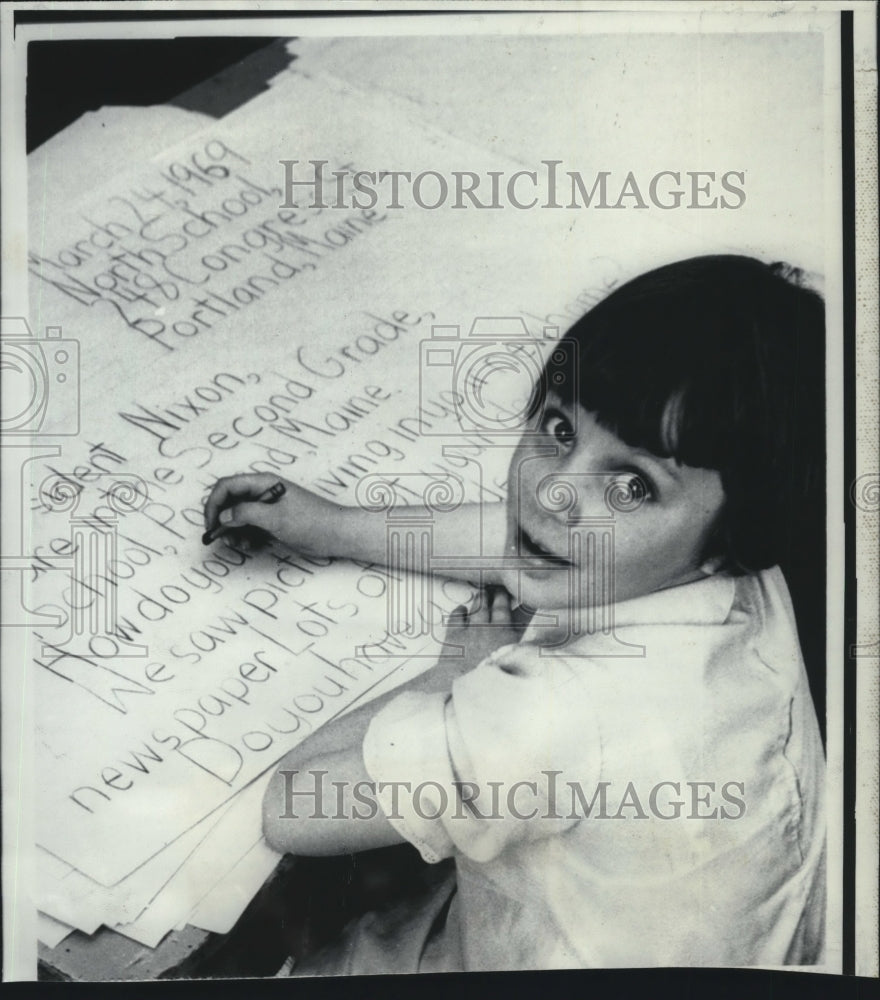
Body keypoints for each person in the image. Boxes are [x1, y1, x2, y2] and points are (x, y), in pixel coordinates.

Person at [204, 255, 826, 972]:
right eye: (559, 430)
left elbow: (292, 806)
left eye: (631, 485)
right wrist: (335, 526)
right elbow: (530, 541)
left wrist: (453, 679)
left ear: (733, 534)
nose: (554, 495)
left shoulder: (552, 718)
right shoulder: (744, 577)